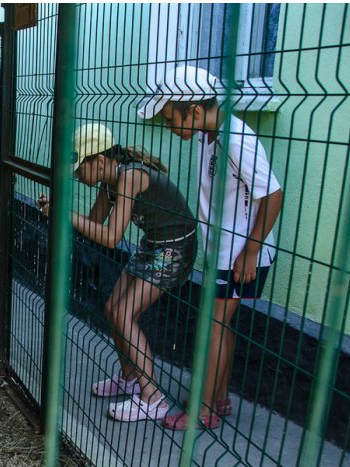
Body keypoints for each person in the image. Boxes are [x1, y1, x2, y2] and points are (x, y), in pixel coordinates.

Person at [137, 65, 284, 430]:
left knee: (213, 326)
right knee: (221, 325)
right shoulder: (210, 134)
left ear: (196, 111)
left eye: (171, 117)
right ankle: (217, 398)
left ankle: (204, 410)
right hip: (225, 249)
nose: (169, 127)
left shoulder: (235, 138)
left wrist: (250, 251)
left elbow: (274, 194)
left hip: (240, 253)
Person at [37, 123, 198, 422]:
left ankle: (153, 397)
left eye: (79, 169)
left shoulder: (130, 177)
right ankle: (129, 378)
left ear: (98, 161)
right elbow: (94, 221)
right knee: (113, 308)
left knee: (124, 313)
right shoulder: (110, 182)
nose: (77, 176)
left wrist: (65, 214)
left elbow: (111, 237)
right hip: (154, 244)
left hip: (173, 250)